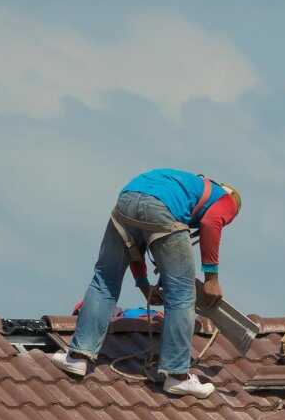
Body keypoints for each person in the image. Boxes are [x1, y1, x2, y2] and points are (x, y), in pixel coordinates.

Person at [51, 169, 241, 397]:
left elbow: (135, 245)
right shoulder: (227, 198)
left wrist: (143, 285)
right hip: (160, 210)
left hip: (127, 200)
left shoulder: (182, 186)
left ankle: (77, 357)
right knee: (181, 294)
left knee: (105, 279)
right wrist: (211, 278)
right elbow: (211, 223)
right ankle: (177, 376)